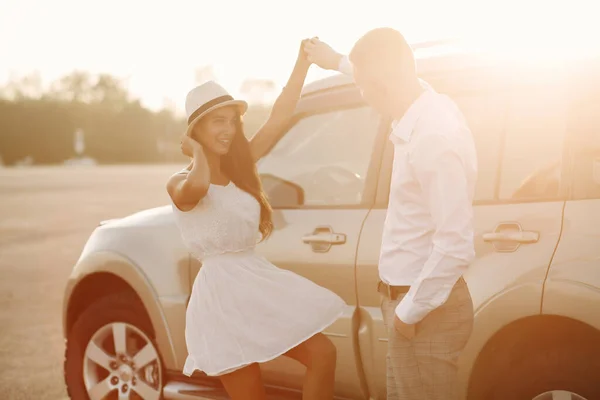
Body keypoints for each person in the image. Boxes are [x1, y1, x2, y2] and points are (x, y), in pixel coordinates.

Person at [167, 40, 345, 400]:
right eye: (218, 122)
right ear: (195, 129)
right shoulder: (177, 183)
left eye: (232, 121)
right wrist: (199, 151)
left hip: (256, 283)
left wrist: (302, 66)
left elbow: (281, 116)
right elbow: (199, 185)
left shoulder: (241, 165)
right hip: (221, 298)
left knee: (323, 354)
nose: (229, 130)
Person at [305, 29, 477, 400]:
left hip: (425, 313)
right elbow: (375, 70)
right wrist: (334, 59)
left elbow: (456, 244)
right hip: (419, 307)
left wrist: (406, 315)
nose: (362, 95)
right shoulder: (423, 101)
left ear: (381, 83)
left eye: (364, 85)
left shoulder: (433, 138)